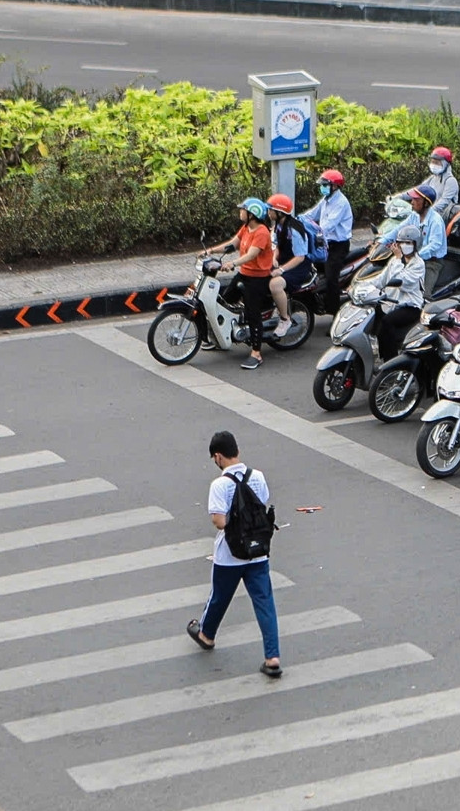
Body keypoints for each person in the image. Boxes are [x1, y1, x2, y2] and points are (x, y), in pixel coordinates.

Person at [189, 430, 280, 678]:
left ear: (218, 457)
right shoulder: (258, 477)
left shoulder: (220, 484)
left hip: (230, 554)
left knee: (219, 597)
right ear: (237, 450)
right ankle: (272, 657)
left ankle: (206, 635)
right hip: (258, 552)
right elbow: (261, 505)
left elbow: (219, 521)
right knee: (265, 603)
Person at [202, 198, 274, 370]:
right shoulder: (246, 228)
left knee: (252, 313)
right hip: (243, 275)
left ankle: (256, 353)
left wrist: (232, 264)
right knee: (223, 301)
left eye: (243, 210)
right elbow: (232, 245)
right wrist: (210, 251)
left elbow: (251, 255)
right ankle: (220, 338)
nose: (240, 212)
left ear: (252, 214)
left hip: (257, 279)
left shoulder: (262, 232)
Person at [300, 168, 352, 317]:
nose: (322, 187)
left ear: (335, 186)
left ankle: (334, 315)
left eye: (325, 185)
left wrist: (312, 230)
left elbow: (328, 225)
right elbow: (312, 214)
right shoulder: (326, 200)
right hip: (324, 244)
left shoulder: (341, 203)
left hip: (337, 247)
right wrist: (296, 221)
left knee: (331, 279)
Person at [370, 225, 426, 360]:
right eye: (401, 242)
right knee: (371, 314)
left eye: (408, 243)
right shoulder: (395, 261)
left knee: (387, 322)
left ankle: (391, 361)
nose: (404, 245)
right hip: (390, 302)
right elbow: (382, 279)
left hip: (410, 306)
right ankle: (378, 353)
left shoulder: (418, 264)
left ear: (416, 244)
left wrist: (397, 259)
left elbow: (401, 281)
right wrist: (362, 286)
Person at [264, 194, 315, 339]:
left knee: (275, 285)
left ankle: (285, 319)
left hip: (298, 267)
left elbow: (300, 257)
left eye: (271, 210)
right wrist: (274, 258)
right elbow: (278, 246)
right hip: (285, 262)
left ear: (279, 212)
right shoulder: (278, 227)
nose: (269, 213)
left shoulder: (295, 230)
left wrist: (281, 270)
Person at [377, 185, 447, 269]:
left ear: (426, 203)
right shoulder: (414, 216)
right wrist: (381, 242)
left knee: (419, 282)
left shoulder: (436, 221)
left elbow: (434, 245)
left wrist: (414, 256)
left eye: (416, 199)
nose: (412, 202)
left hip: (431, 262)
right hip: (412, 257)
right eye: (412, 199)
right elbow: (398, 230)